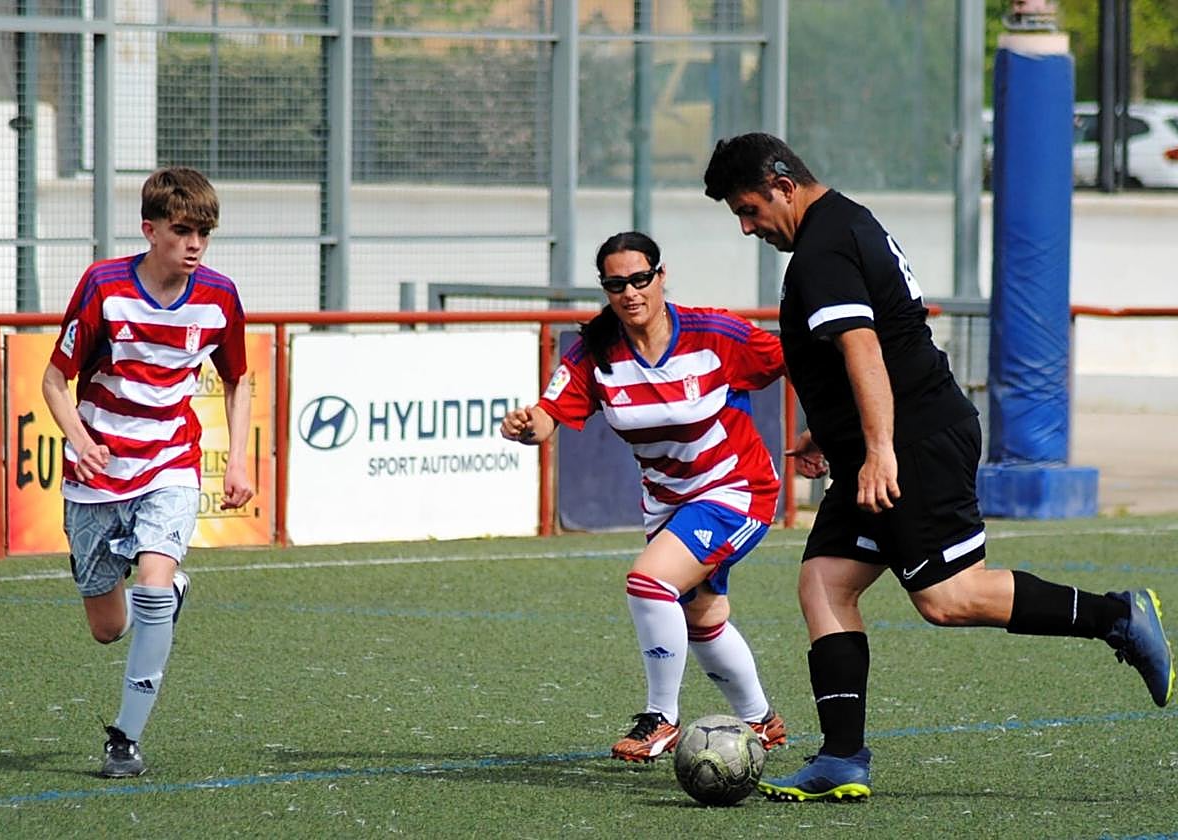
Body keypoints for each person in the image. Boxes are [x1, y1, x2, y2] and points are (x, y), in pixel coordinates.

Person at [703, 132, 1174, 802]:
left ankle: (1117, 616)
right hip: (886, 439)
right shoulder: (844, 223)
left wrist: (879, 449)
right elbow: (886, 342)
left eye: (748, 209)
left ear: (781, 183)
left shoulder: (822, 247)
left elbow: (865, 349)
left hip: (911, 444)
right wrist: (832, 431)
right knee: (825, 585)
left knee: (950, 598)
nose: (748, 227)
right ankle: (842, 758)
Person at [501, 230, 807, 762]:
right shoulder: (596, 354)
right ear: (606, 289)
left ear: (660, 277)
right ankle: (763, 724)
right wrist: (526, 426)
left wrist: (826, 430)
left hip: (736, 487)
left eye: (640, 279)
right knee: (703, 619)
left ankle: (661, 719)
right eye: (616, 284)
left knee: (649, 582)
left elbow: (799, 359)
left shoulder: (715, 333)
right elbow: (548, 418)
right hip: (667, 502)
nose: (631, 292)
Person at [41, 166, 254, 778]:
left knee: (155, 589)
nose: (195, 244)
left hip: (170, 463)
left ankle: (124, 739)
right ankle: (161, 598)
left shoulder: (219, 297)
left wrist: (236, 459)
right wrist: (80, 441)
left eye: (204, 234)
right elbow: (55, 381)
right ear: (150, 229)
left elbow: (238, 379)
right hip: (97, 473)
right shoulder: (103, 286)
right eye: (183, 230)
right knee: (107, 628)